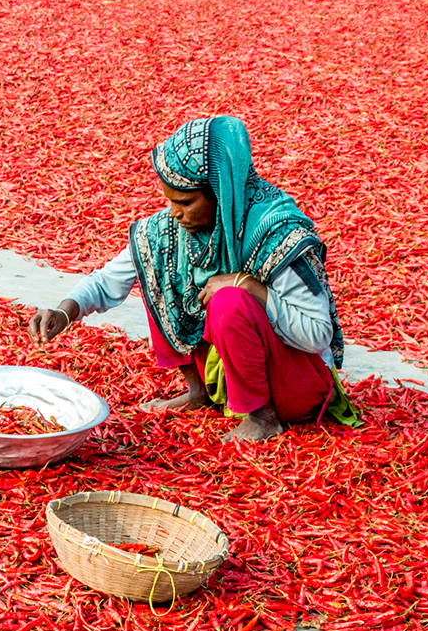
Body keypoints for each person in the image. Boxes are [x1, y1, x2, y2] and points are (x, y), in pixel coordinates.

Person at [29, 115, 360, 443]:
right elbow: (107, 281)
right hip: (236, 369)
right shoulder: (172, 230)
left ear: (221, 191)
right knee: (154, 257)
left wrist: (248, 286)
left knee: (229, 301)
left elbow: (318, 336)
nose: (174, 213)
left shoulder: (276, 232)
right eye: (170, 201)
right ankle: (199, 391)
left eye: (185, 202)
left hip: (294, 381)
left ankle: (263, 418)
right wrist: (63, 312)